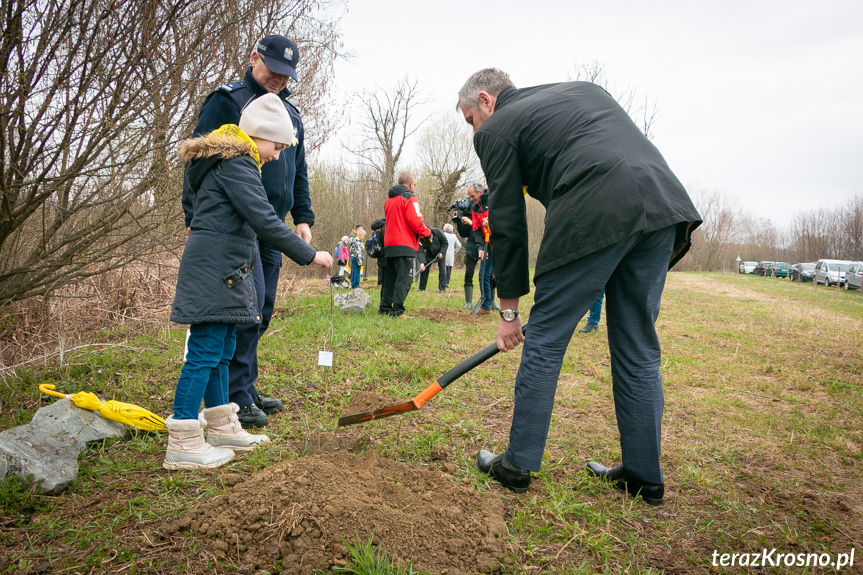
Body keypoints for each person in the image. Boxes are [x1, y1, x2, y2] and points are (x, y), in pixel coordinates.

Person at [458, 69, 701, 504]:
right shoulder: (581, 91)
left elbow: (509, 222)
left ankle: (517, 464)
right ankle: (644, 473)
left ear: (485, 100)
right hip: (663, 203)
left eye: (469, 118)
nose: (474, 129)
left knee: (545, 340)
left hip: (600, 205)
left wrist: (509, 312)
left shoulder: (496, 129)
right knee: (637, 345)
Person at [168, 94, 332, 469]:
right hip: (213, 270)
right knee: (204, 352)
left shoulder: (237, 162)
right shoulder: (237, 163)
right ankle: (182, 437)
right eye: (276, 146)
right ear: (259, 135)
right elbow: (265, 221)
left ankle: (223, 426)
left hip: (226, 270)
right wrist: (311, 255)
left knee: (224, 348)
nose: (277, 155)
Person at [183, 35, 315, 429]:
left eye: (286, 75)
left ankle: (246, 385)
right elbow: (199, 160)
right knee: (242, 312)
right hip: (237, 227)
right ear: (254, 58)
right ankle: (236, 397)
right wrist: (195, 217)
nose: (279, 80)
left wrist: (302, 217)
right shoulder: (228, 101)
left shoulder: (290, 115)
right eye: (273, 71)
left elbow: (299, 170)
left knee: (261, 309)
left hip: (273, 226)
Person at [379, 172, 431, 318]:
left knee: (390, 278)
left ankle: (384, 308)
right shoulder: (410, 198)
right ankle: (397, 311)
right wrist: (427, 233)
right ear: (411, 184)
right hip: (404, 244)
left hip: (389, 243)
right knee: (404, 278)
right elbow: (416, 222)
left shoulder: (389, 200)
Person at [456, 185, 482, 309]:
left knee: (489, 275)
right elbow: (464, 233)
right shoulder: (469, 210)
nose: (471, 199)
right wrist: (458, 222)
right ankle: (469, 302)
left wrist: (473, 223)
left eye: (472, 196)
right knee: (469, 273)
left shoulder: (485, 207)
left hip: (485, 245)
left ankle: (490, 301)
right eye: (470, 197)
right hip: (471, 246)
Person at [418, 227, 449, 291]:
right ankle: (422, 287)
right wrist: (422, 263)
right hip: (429, 254)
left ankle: (442, 287)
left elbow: (445, 243)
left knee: (442, 269)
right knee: (424, 269)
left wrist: (442, 253)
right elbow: (420, 252)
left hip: (440, 253)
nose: (430, 239)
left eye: (430, 237)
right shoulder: (420, 239)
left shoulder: (437, 231)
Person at [442, 223, 462, 290]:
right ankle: (446, 282)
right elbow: (459, 245)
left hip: (443, 253)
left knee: (442, 268)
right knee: (448, 269)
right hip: (450, 254)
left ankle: (442, 282)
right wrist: (455, 251)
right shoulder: (453, 236)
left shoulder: (443, 234)